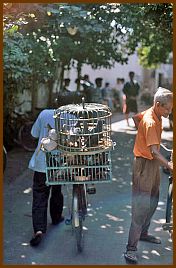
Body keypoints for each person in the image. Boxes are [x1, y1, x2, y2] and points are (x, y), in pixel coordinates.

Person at [124, 87, 173, 264]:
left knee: (153, 198)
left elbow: (136, 118)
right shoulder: (151, 122)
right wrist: (169, 165)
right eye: (167, 109)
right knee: (141, 205)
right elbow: (153, 151)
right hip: (144, 164)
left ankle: (143, 233)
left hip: (152, 163)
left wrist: (144, 138)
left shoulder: (154, 114)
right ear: (158, 105)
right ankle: (130, 249)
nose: (170, 112)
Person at [28, 97, 73, 247]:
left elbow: (34, 134)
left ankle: (39, 230)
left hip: (42, 162)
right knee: (56, 189)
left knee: (40, 194)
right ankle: (56, 217)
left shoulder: (44, 113)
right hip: (60, 162)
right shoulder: (72, 116)